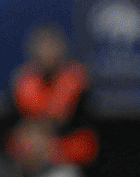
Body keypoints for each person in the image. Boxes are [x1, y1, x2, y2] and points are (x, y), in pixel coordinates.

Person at [10, 25, 97, 166]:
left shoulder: (78, 80)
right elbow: (17, 124)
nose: (47, 53)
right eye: (43, 48)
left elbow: (82, 124)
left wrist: (51, 147)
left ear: (62, 50)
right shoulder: (21, 81)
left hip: (68, 148)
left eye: (52, 47)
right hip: (31, 150)